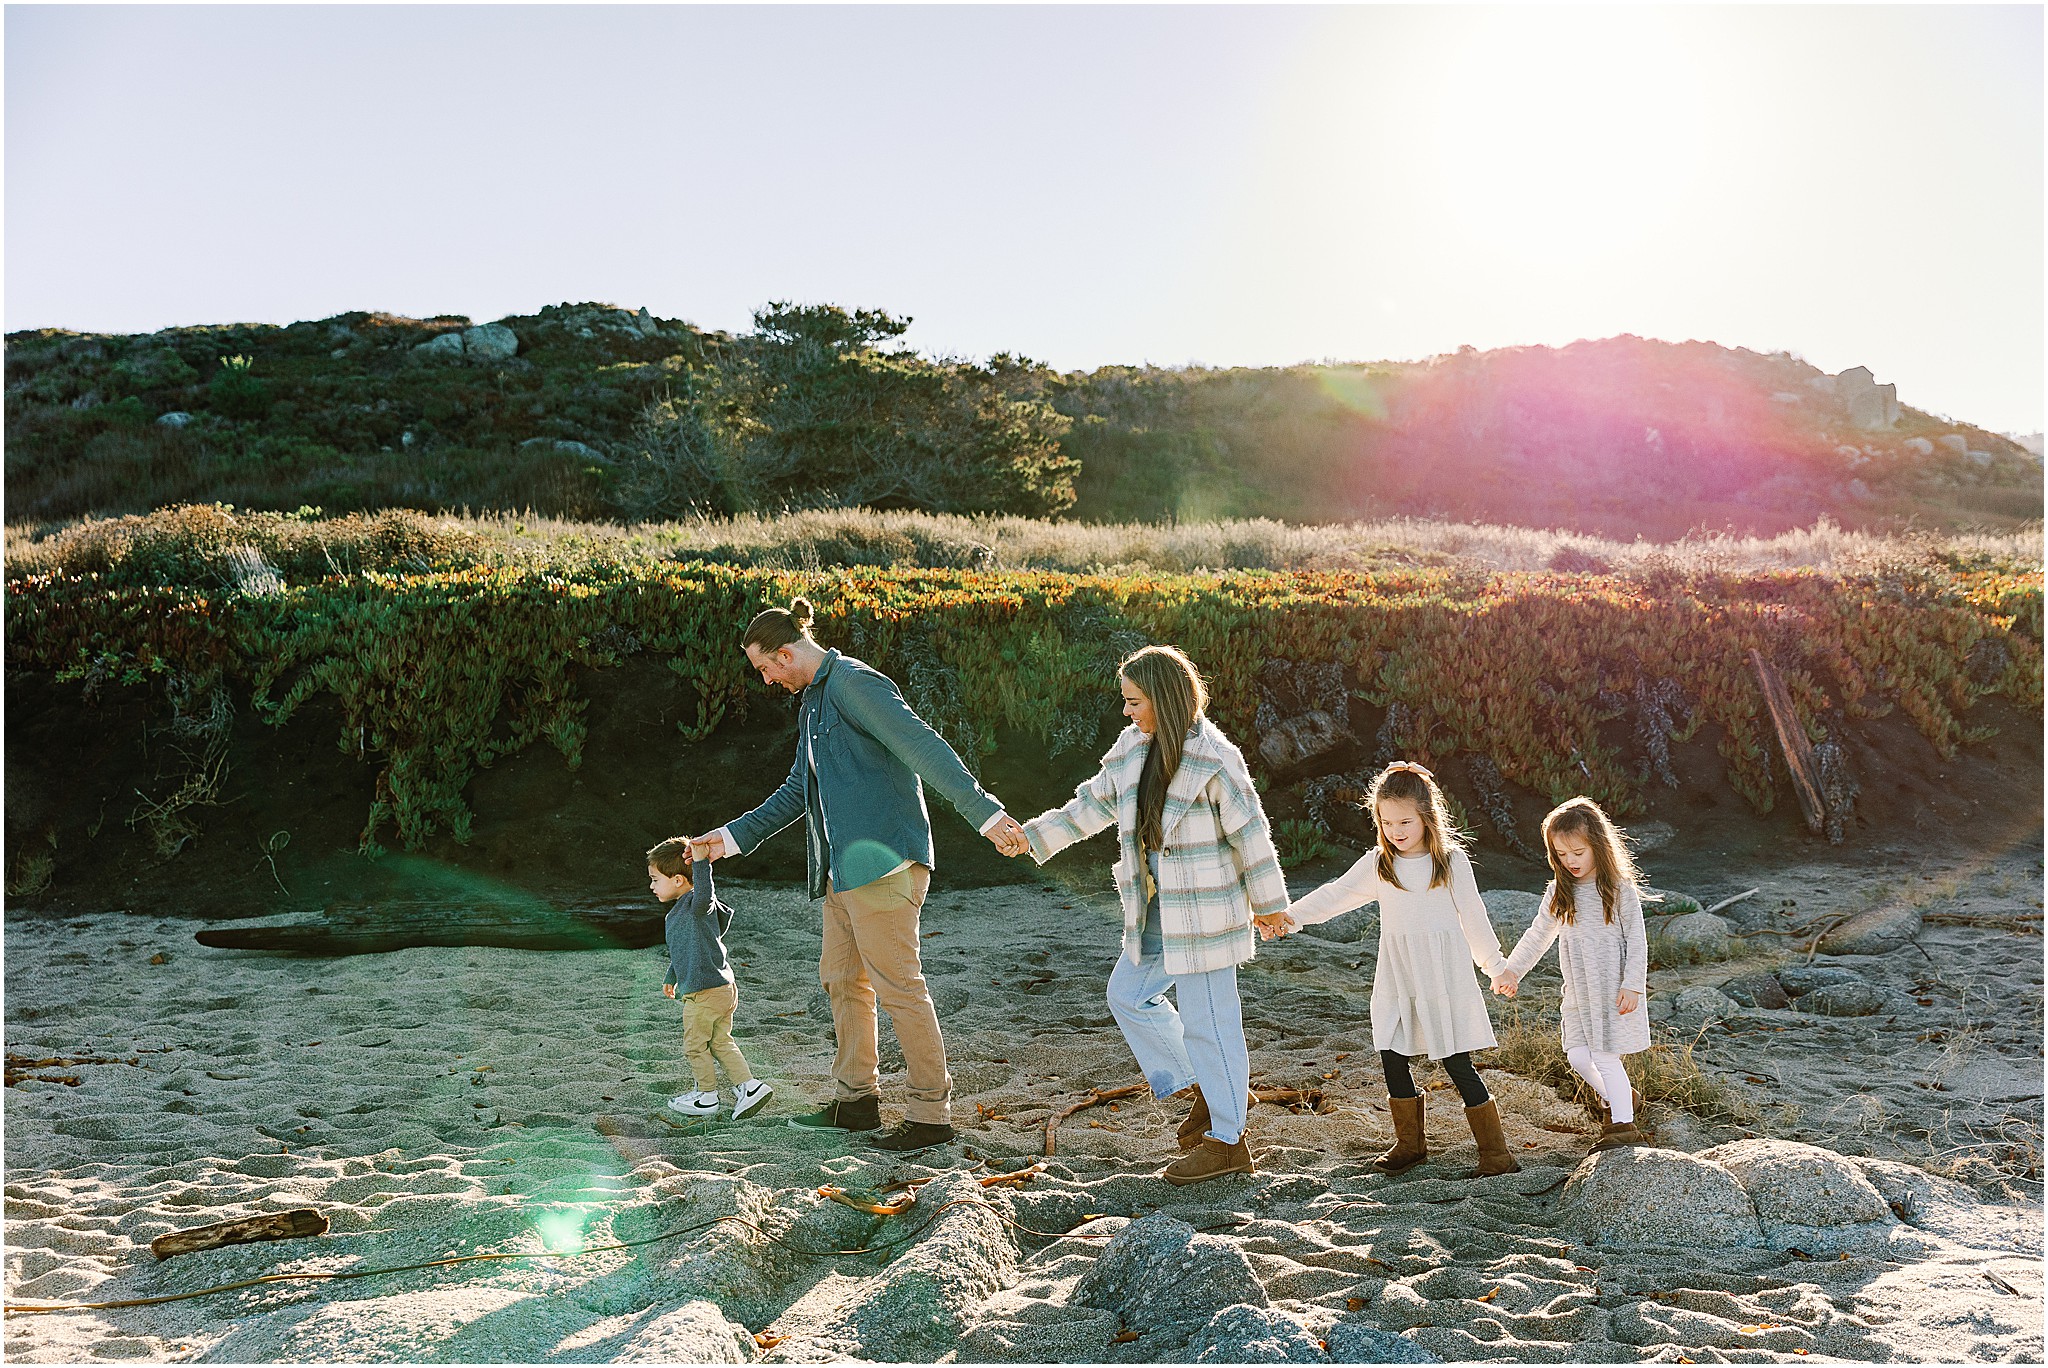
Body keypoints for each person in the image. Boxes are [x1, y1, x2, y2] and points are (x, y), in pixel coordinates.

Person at [690, 597, 1030, 1153]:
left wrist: (986, 816)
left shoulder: (853, 683)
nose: (768, 680)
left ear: (785, 652)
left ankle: (929, 1115)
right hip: (840, 871)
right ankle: (857, 1102)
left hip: (885, 865)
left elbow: (922, 746)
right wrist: (726, 840)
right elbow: (799, 790)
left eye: (766, 669)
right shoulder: (812, 703)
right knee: (843, 982)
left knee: (899, 987)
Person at [1014, 645, 1292, 1185]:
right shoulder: (1132, 747)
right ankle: (1214, 1091)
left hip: (1208, 911)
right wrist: (1031, 838)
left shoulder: (1215, 758)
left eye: (1134, 701)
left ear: (1164, 699)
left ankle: (1229, 1142)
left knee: (1211, 1023)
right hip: (1158, 909)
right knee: (1128, 995)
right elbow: (1090, 805)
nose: (1127, 711)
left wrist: (1270, 904)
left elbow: (1251, 832)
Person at [1281, 762, 1522, 1178]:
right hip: (1397, 972)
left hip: (1441, 975)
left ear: (1428, 816)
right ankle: (1410, 1144)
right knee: (1391, 1049)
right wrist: (1289, 916)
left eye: (1405, 821)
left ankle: (1495, 1154)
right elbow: (1337, 894)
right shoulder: (1380, 863)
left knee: (1455, 1061)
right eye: (1387, 821)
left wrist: (1495, 966)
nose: (1396, 830)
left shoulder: (1449, 861)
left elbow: (1474, 917)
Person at [1493, 797, 1652, 1150]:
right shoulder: (1559, 891)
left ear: (1598, 845)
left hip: (1612, 986)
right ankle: (1621, 1096)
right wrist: (1512, 971)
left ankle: (1623, 1127)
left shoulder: (1618, 889)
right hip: (1578, 989)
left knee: (1606, 1055)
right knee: (1578, 1055)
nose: (1571, 861)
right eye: (1561, 854)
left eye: (1578, 852)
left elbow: (1638, 941)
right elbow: (1538, 936)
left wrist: (1632, 985)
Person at [647, 837, 773, 1120]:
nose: (651, 886)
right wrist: (672, 975)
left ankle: (706, 1097)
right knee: (719, 1041)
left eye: (655, 879)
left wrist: (702, 862)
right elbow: (686, 949)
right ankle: (750, 1087)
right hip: (720, 988)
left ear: (678, 880)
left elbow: (705, 891)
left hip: (705, 992)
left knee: (694, 1045)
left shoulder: (696, 905)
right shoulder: (680, 912)